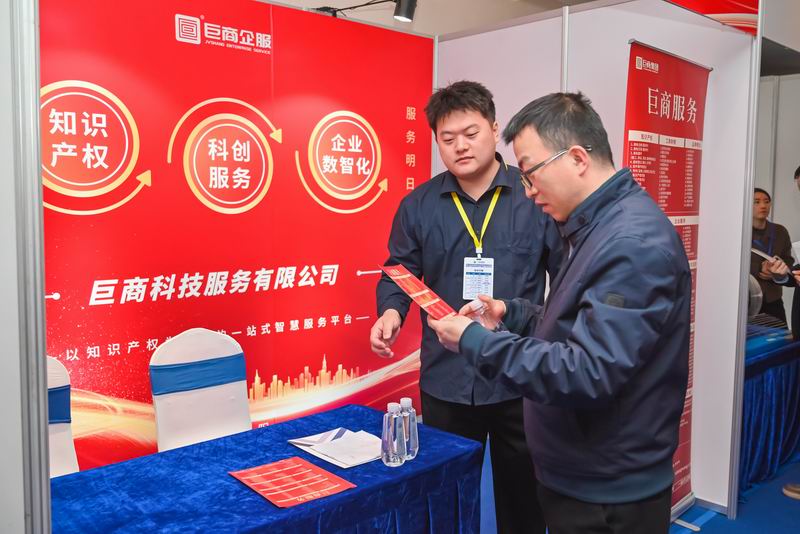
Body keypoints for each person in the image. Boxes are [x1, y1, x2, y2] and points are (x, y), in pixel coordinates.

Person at [427, 92, 691, 534]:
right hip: (586, 472)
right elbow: (574, 324)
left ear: (577, 159)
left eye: (531, 173)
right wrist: (511, 314)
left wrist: (474, 341)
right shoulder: (597, 226)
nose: (529, 191)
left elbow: (587, 372)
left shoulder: (630, 244)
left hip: (607, 490)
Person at [371, 81, 561, 533]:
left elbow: (568, 278)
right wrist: (391, 312)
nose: (460, 146)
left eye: (471, 133)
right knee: (448, 499)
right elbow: (398, 271)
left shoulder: (535, 198)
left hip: (519, 374)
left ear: (495, 130)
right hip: (448, 379)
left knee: (524, 500)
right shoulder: (418, 205)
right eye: (447, 138)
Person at [750, 187, 794, 323]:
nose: (763, 205)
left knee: (780, 335)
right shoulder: (738, 232)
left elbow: (788, 261)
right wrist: (760, 269)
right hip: (747, 299)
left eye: (766, 201)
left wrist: (778, 273)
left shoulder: (780, 231)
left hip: (773, 299)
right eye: (756, 202)